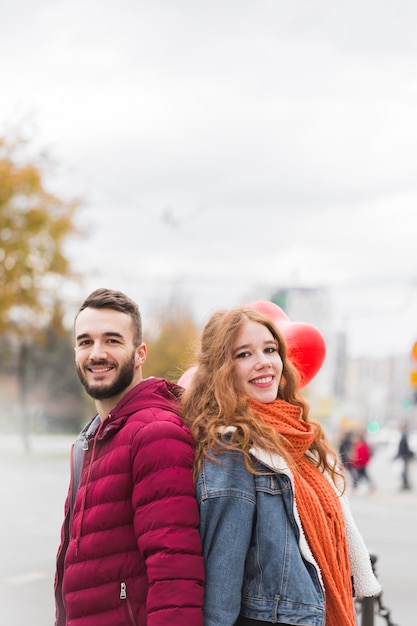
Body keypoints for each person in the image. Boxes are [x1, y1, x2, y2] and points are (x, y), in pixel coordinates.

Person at [180, 306, 380, 626]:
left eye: (270, 349)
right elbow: (221, 577)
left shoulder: (296, 437)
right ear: (221, 369)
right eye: (244, 354)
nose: (263, 362)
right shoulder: (233, 449)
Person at [54, 288, 204, 626]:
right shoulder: (95, 437)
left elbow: (175, 570)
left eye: (112, 341)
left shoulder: (155, 432)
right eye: (85, 342)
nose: (96, 353)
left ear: (139, 354)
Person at [394, 421, 415, 490]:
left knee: (404, 471)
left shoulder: (405, 436)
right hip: (406, 456)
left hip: (405, 456)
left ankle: (406, 484)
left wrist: (400, 455)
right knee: (404, 471)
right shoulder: (405, 435)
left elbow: (403, 447)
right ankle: (406, 484)